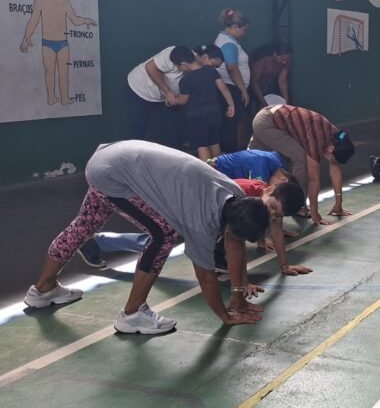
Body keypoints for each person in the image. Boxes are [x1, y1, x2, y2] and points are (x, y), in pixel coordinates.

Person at [24, 141, 272, 334]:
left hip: (111, 158)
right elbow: (206, 277)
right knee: (163, 235)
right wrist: (225, 316)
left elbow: (234, 243)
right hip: (115, 175)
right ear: (230, 228)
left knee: (85, 224)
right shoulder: (200, 221)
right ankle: (132, 315)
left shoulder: (236, 195)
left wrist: (238, 294)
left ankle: (44, 289)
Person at [75, 174, 311, 276]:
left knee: (169, 238)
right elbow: (233, 241)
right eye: (272, 208)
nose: (272, 215)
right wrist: (241, 284)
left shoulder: (270, 205)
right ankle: (98, 242)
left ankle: (99, 242)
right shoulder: (243, 193)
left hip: (210, 216)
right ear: (268, 190)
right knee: (166, 237)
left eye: (277, 215)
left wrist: (284, 265)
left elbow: (276, 233)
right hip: (190, 203)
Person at [250, 104, 355, 225]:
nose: (331, 162)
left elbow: (335, 168)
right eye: (333, 159)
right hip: (267, 122)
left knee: (254, 159)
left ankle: (256, 204)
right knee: (302, 159)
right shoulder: (317, 139)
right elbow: (313, 180)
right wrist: (315, 214)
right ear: (331, 149)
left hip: (272, 115)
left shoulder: (337, 137)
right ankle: (298, 205)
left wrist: (338, 204)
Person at [18, 0, 97, 106]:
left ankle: (56, 98)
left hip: (53, 43)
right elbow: (75, 20)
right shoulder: (60, 1)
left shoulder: (43, 0)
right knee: (59, 73)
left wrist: (26, 37)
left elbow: (34, 21)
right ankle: (59, 98)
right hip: (58, 44)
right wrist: (26, 37)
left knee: (52, 73)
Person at [125, 46, 199, 146]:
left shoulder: (196, 62)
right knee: (138, 128)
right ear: (182, 64)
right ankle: (133, 153)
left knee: (174, 127)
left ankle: (173, 153)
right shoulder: (171, 54)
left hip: (166, 97)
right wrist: (168, 92)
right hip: (140, 89)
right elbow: (150, 67)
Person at [176, 45, 235, 160]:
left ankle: (207, 169)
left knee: (202, 145)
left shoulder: (185, 80)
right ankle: (220, 167)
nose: (178, 69)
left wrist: (173, 99)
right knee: (214, 142)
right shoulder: (211, 71)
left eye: (178, 66)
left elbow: (183, 100)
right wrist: (231, 105)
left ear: (183, 64)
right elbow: (223, 88)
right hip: (215, 113)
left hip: (197, 117)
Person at [215, 8, 252, 152]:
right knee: (230, 125)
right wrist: (243, 90)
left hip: (229, 87)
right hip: (231, 87)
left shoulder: (227, 40)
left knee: (229, 124)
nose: (245, 34)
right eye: (244, 30)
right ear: (236, 27)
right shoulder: (229, 43)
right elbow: (232, 68)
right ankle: (229, 153)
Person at [249, 42, 293, 108]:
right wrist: (262, 100)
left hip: (269, 88)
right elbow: (254, 82)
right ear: (275, 54)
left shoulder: (286, 61)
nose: (284, 62)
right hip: (255, 88)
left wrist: (286, 102)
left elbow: (282, 81)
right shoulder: (263, 61)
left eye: (287, 60)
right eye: (282, 59)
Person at [208, 149, 289, 183]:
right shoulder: (260, 167)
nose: (272, 190)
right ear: (283, 180)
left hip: (219, 162)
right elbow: (259, 194)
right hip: (216, 171)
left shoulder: (278, 161)